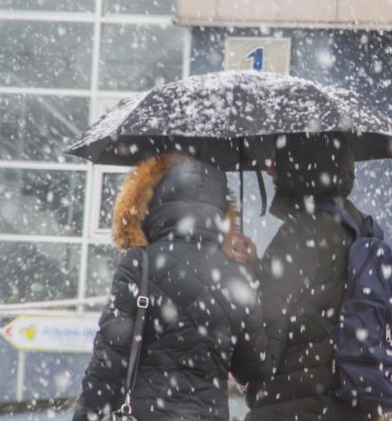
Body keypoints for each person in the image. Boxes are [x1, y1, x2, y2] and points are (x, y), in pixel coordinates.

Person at [73, 153, 284, 420]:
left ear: (161, 201)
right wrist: (277, 316)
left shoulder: (141, 263)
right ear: (220, 211)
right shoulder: (235, 276)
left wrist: (86, 413)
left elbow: (110, 358)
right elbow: (254, 369)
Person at [245, 133, 372, 421]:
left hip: (295, 401)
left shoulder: (303, 232)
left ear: (300, 165)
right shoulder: (358, 224)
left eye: (278, 160)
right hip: (349, 396)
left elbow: (265, 310)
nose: (269, 169)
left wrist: (244, 270)